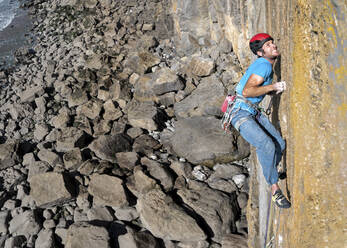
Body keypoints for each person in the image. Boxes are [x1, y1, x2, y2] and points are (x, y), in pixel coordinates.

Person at [230, 33, 291, 208]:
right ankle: (274, 190)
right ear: (260, 52)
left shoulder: (263, 65)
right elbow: (248, 91)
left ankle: (272, 170)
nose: (273, 46)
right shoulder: (264, 64)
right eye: (268, 45)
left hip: (250, 111)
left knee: (279, 143)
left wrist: (269, 90)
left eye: (272, 43)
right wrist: (273, 87)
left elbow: (253, 90)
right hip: (241, 113)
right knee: (266, 145)